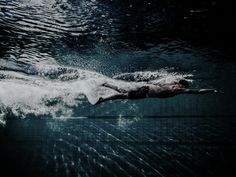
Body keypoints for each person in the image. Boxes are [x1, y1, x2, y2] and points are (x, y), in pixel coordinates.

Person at [92, 79, 218, 105]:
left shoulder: (170, 84)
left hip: (146, 90)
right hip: (146, 92)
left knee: (122, 93)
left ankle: (105, 84)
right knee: (121, 94)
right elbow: (197, 91)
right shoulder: (178, 89)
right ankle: (102, 98)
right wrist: (212, 90)